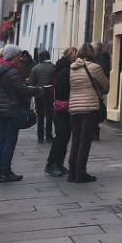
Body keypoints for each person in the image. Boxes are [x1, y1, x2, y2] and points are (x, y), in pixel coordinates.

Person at [66, 47, 109, 183]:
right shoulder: (95, 67)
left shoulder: (72, 68)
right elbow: (106, 86)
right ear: (92, 54)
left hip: (74, 108)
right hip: (89, 108)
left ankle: (72, 172)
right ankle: (81, 173)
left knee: (76, 140)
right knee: (85, 141)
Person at [0, 49, 31, 183]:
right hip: (12, 109)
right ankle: (5, 172)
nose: (20, 58)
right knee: (9, 141)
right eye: (19, 56)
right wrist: (37, 90)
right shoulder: (12, 72)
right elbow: (22, 90)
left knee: (1, 141)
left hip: (0, 108)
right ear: (14, 57)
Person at [44, 47, 76, 178]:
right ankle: (51, 164)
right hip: (60, 107)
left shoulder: (62, 68)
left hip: (61, 107)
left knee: (65, 136)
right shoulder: (64, 70)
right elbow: (62, 90)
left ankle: (59, 163)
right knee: (61, 136)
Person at [28, 49, 56, 144]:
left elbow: (31, 83)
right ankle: (48, 135)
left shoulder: (35, 68)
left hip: (39, 94)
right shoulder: (53, 67)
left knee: (40, 116)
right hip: (50, 94)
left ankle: (40, 136)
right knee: (49, 115)